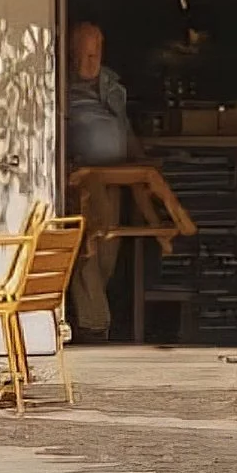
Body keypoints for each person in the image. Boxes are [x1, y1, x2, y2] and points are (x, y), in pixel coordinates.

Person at [65, 19, 135, 335]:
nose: (86, 63)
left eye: (93, 56)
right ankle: (93, 324)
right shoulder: (59, 86)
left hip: (116, 176)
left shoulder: (111, 84)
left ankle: (94, 318)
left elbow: (123, 125)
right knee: (86, 248)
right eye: (81, 55)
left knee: (109, 246)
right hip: (81, 179)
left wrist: (142, 160)